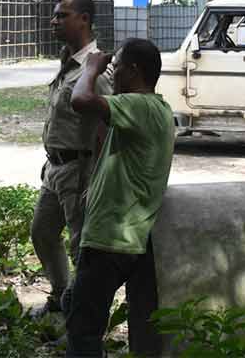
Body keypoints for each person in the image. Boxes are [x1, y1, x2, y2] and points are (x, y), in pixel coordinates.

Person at [65, 38, 174, 357]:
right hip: (122, 236)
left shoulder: (139, 107)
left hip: (110, 238)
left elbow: (81, 100)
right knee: (76, 305)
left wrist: (91, 68)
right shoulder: (152, 108)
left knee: (83, 330)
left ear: (134, 70)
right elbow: (103, 130)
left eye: (117, 67)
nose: (111, 74)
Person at [31, 0, 113, 317]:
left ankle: (82, 324)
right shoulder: (68, 61)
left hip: (81, 171)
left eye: (62, 15)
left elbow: (111, 122)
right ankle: (62, 297)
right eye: (55, 15)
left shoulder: (98, 69)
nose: (54, 21)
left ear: (84, 19)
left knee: (83, 250)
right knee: (42, 232)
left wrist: (100, 177)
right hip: (55, 169)